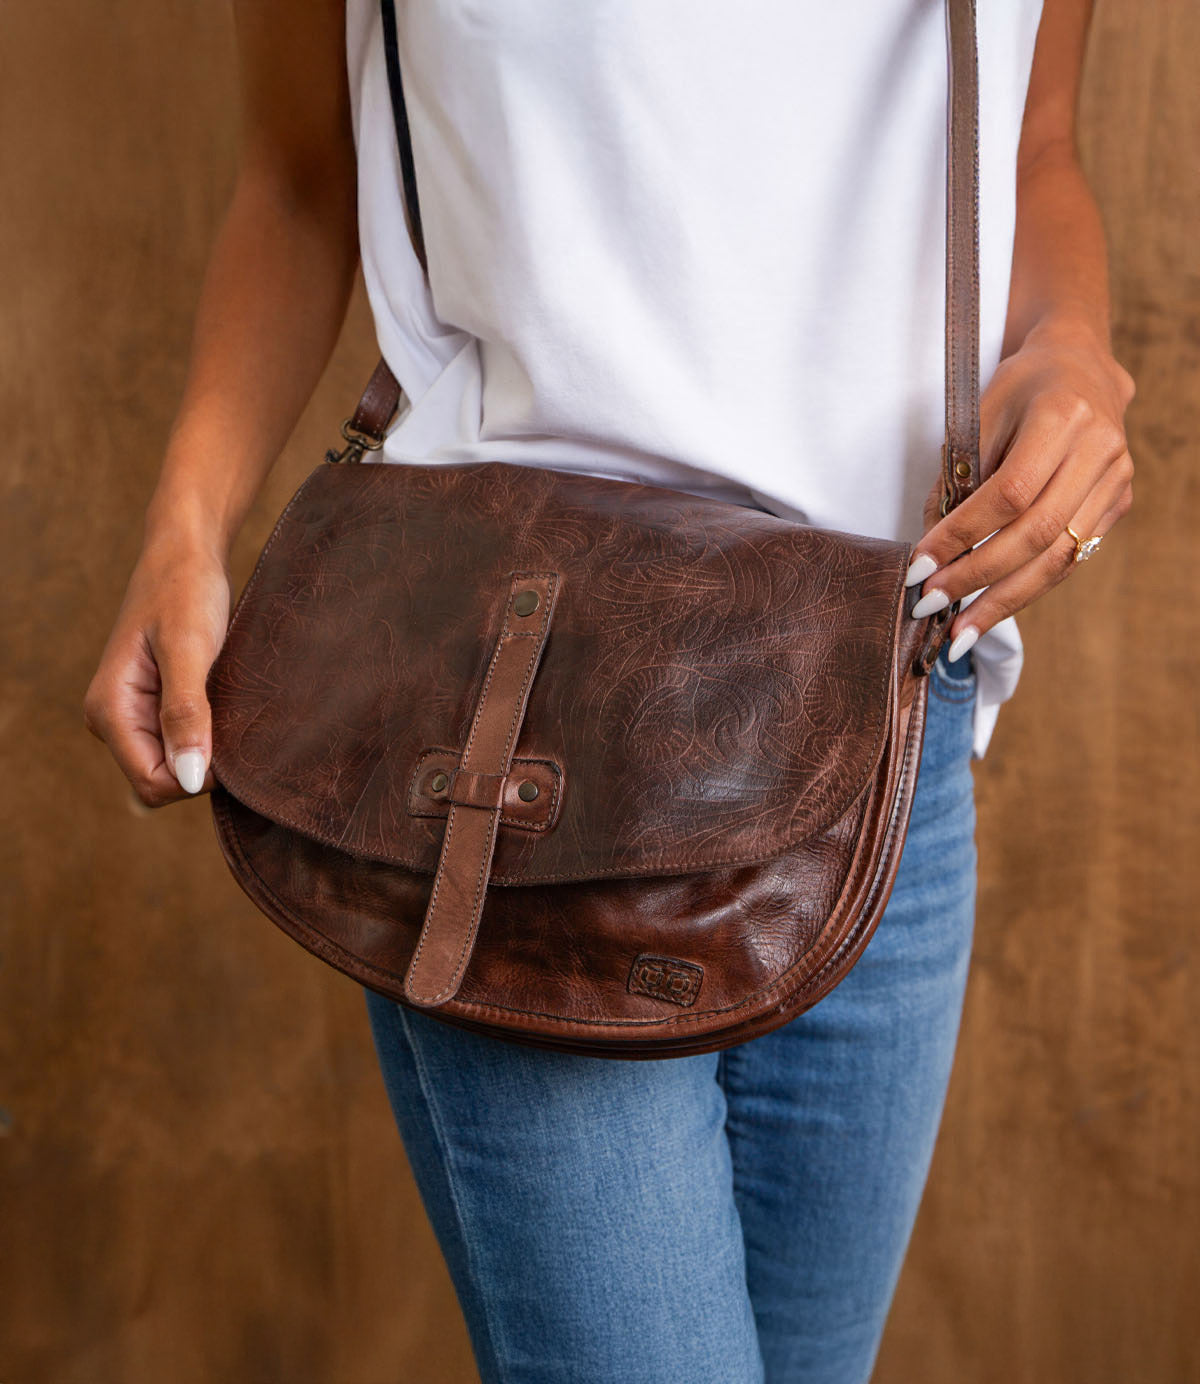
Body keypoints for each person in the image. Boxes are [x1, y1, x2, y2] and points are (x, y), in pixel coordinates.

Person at [83, 1, 1135, 1380]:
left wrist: (1070, 350)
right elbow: (295, 178)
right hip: (511, 727)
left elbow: (1033, 146)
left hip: (883, 710)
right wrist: (184, 529)